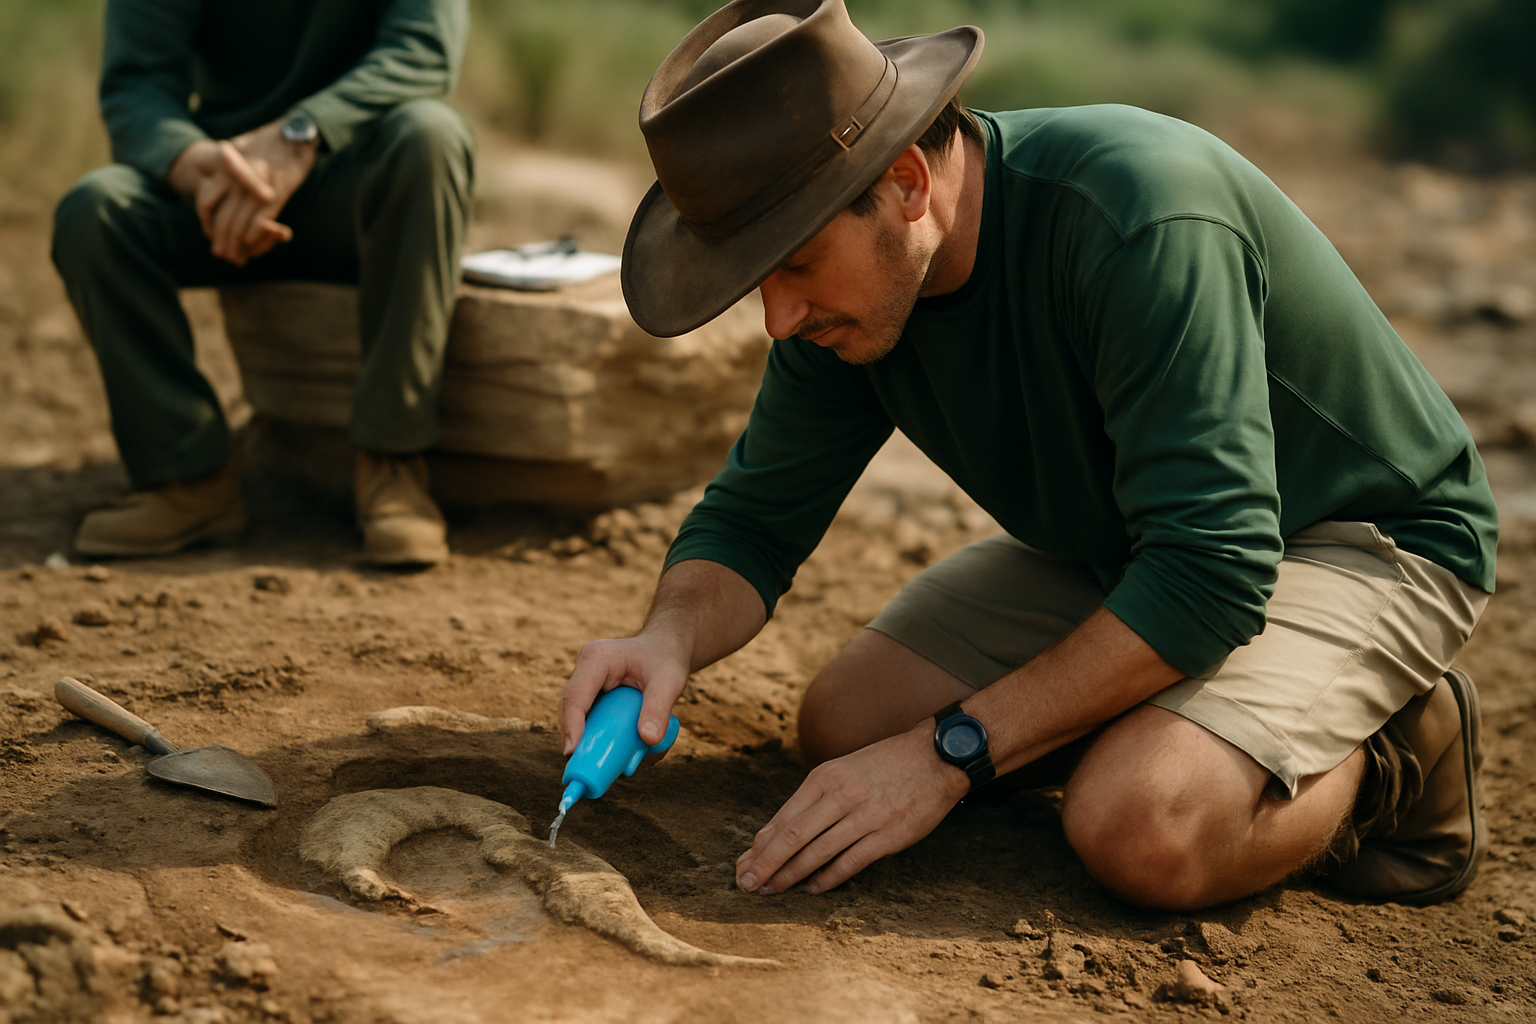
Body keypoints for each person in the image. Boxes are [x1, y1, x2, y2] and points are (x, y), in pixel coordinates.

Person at [559, 0, 1498, 912]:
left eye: (794, 267)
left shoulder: (1140, 213)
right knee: (848, 724)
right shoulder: (847, 299)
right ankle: (1178, 710)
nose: (779, 317)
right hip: (1142, 541)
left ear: (907, 187)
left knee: (1141, 825)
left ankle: (1392, 755)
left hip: (1360, 537)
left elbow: (1214, 567)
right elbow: (755, 521)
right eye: (758, 282)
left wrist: (949, 753)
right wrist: (666, 637)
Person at [51, 0, 475, 566]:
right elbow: (138, 86)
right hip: (219, 194)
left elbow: (423, 49)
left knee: (432, 134)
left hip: (353, 179)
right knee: (96, 210)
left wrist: (303, 133)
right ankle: (187, 479)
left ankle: (392, 465)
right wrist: (194, 163)